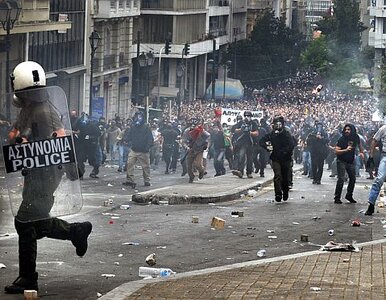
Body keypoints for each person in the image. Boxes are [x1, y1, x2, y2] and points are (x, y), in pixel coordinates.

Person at [4, 61, 92, 294]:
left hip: (45, 176)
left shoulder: (43, 112)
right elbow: (20, 138)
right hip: (35, 174)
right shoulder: (31, 108)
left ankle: (28, 278)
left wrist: (73, 169)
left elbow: (60, 143)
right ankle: (75, 232)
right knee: (34, 222)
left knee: (24, 221)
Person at [259, 116, 296, 202]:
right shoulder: (272, 134)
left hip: (286, 158)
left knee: (285, 176)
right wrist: (267, 147)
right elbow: (261, 141)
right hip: (276, 158)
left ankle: (285, 191)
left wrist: (285, 152)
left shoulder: (287, 134)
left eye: (279, 124)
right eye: (276, 124)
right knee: (277, 175)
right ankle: (278, 193)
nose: (278, 126)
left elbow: (292, 144)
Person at [333, 124, 364, 204]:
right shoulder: (342, 139)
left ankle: (349, 195)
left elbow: (359, 145)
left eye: (349, 129)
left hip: (350, 161)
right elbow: (336, 151)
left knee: (352, 179)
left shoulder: (356, 137)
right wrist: (345, 150)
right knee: (341, 179)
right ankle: (337, 197)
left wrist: (361, 152)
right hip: (341, 161)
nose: (347, 131)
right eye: (346, 129)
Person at [122, 111, 154, 188]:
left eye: (140, 117)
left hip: (143, 150)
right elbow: (129, 135)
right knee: (129, 163)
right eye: (137, 117)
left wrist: (147, 148)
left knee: (145, 167)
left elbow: (150, 139)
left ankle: (147, 180)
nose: (138, 119)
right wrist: (126, 139)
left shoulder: (146, 128)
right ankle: (130, 180)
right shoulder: (133, 127)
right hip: (134, 149)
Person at [365, 123, 386, 215]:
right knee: (379, 179)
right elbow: (374, 140)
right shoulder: (384, 128)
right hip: (385, 156)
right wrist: (371, 156)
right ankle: (371, 204)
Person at [231, 111, 259, 179]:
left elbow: (257, 132)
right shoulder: (241, 123)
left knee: (250, 158)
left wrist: (250, 132)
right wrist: (241, 129)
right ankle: (240, 171)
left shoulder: (253, 123)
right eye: (245, 115)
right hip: (242, 143)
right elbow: (235, 130)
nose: (247, 117)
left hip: (250, 142)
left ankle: (249, 172)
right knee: (241, 156)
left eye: (248, 116)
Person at [186, 117, 210, 183]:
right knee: (188, 165)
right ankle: (191, 176)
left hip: (199, 149)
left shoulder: (202, 131)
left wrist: (205, 145)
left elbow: (208, 137)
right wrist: (186, 146)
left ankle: (202, 171)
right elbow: (185, 140)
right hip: (192, 149)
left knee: (198, 164)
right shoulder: (187, 132)